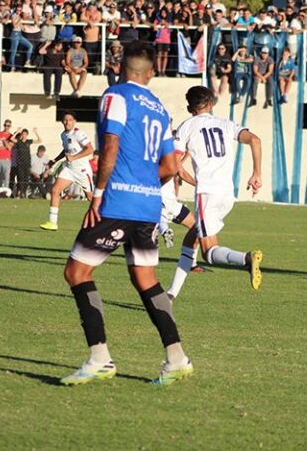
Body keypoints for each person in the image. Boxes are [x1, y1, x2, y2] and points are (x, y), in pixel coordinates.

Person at [59, 41, 192, 386]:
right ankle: (176, 357)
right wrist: (147, 184)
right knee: (146, 279)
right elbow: (170, 165)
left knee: (77, 272)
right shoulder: (160, 109)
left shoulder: (115, 96)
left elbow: (112, 144)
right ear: (151, 72)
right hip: (149, 205)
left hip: (118, 200)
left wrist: (99, 193)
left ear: (121, 68)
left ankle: (99, 358)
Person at [166, 86, 264, 300]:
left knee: (209, 253)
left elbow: (174, 165)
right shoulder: (226, 124)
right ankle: (171, 294)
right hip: (227, 194)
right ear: (210, 104)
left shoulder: (186, 127)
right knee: (190, 239)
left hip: (207, 194)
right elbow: (255, 140)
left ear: (189, 107)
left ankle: (247, 259)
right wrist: (256, 173)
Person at [40, 111, 94, 231]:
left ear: (74, 121)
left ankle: (107, 221)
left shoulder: (79, 133)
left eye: (70, 120)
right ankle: (52, 222)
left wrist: (74, 157)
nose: (67, 122)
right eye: (65, 120)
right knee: (55, 190)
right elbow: (65, 150)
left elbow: (90, 149)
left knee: (91, 197)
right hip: (69, 169)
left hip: (82, 170)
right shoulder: (63, 135)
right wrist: (54, 160)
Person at [0, 120, 15, 195]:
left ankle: (6, 192)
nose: (6, 127)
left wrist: (4, 140)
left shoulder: (11, 136)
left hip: (6, 158)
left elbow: (9, 147)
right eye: (5, 125)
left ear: (10, 127)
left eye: (8, 126)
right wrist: (3, 147)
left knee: (6, 176)